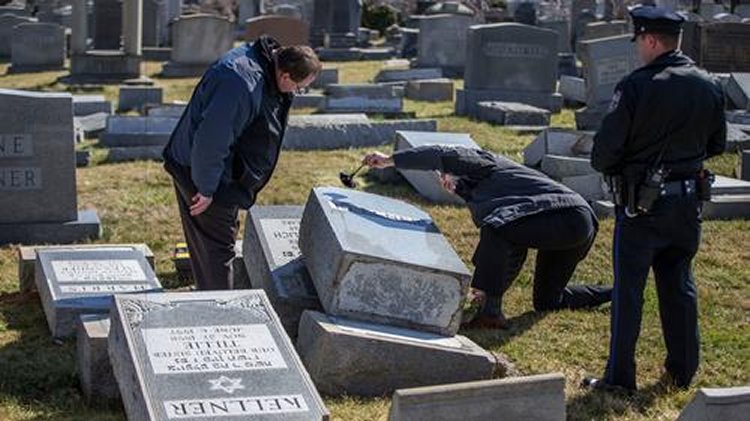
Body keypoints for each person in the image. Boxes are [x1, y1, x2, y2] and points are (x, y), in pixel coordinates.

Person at [582, 5, 726, 392]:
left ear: (650, 40)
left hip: (641, 206)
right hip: (687, 203)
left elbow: (603, 155)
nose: (637, 51)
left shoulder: (636, 86)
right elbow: (717, 143)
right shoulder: (709, 84)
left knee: (629, 292)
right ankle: (682, 370)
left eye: (639, 42)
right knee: (679, 283)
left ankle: (619, 378)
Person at [363, 145, 612, 329]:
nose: (447, 179)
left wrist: (391, 160)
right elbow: (513, 247)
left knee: (497, 228)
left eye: (449, 175)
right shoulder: (484, 195)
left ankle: (490, 313)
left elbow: (439, 155)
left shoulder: (484, 161)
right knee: (548, 301)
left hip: (565, 215)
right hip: (579, 222)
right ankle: (615, 293)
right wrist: (460, 190)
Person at [163, 36, 320, 290]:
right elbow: (212, 137)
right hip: (204, 175)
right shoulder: (241, 82)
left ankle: (208, 297)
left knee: (213, 244)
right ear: (286, 76)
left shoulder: (265, 64)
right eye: (300, 88)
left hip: (221, 174)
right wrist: (205, 187)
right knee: (218, 251)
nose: (297, 93)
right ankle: (219, 315)